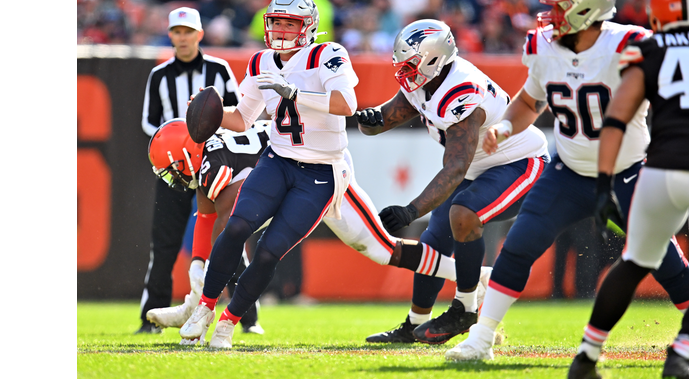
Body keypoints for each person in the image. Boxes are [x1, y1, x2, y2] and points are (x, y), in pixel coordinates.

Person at [444, 0, 689, 361]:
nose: (550, 17)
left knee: (664, 261)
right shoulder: (543, 46)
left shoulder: (629, 44)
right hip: (570, 171)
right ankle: (481, 339)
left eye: (559, 9)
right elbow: (530, 100)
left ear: (586, 9)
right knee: (519, 245)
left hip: (629, 172)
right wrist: (505, 128)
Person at [176, 0, 450, 349]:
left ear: (307, 27)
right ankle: (206, 308)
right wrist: (211, 116)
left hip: (320, 173)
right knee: (236, 227)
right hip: (277, 160)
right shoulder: (260, 62)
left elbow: (346, 104)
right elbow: (243, 118)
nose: (281, 31)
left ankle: (229, 323)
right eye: (276, 23)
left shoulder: (327, 54)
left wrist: (293, 93)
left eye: (290, 24)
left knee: (271, 250)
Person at [144, 118, 490, 343]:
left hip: (318, 171)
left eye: (172, 167)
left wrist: (203, 287)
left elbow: (226, 226)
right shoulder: (210, 163)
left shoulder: (214, 166)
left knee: (381, 248)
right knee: (379, 249)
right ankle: (479, 277)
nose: (172, 177)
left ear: (188, 152)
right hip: (284, 180)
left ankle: (478, 277)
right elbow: (208, 220)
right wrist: (197, 268)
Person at [357, 18, 550, 345]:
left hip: (520, 163)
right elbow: (385, 119)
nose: (404, 72)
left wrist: (411, 210)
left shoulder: (460, 89)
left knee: (463, 214)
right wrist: (370, 120)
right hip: (481, 167)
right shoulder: (424, 79)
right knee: (434, 242)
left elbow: (456, 167)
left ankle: (465, 308)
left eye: (410, 64)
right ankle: (414, 325)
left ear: (433, 59)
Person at [568, 0, 689, 379]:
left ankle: (586, 357)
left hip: (657, 172)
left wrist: (604, 184)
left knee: (634, 262)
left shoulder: (649, 47)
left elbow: (616, 118)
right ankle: (683, 351)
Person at [137, 6, 240, 334]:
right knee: (163, 243)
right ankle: (149, 317)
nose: (182, 38)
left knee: (231, 233)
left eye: (187, 31)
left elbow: (239, 113)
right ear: (170, 35)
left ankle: (247, 316)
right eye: (176, 32)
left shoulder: (219, 69)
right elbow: (148, 122)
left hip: (213, 164)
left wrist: (208, 140)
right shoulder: (160, 75)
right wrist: (177, 140)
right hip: (176, 169)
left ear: (199, 34)